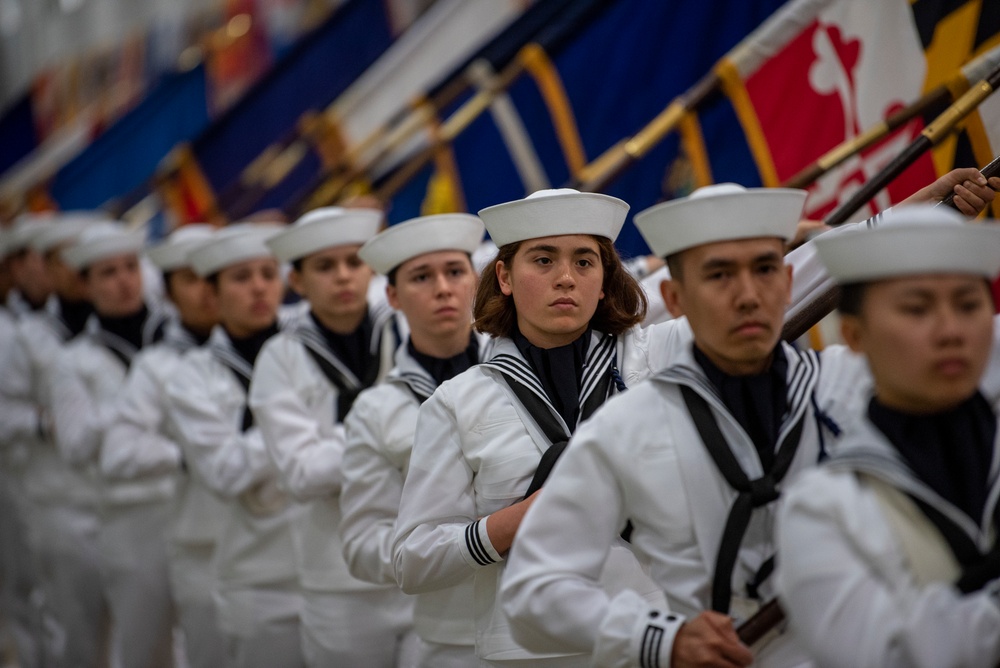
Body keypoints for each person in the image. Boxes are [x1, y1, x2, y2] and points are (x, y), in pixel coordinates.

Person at [499, 175, 999, 668]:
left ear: (784, 283)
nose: (747, 296)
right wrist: (658, 637)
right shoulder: (625, 429)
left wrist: (917, 220)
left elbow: (829, 270)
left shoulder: (857, 383)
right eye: (718, 275)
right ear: (674, 299)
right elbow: (534, 588)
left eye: (764, 270)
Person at [392, 188, 669, 667]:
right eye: (543, 261)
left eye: (585, 262)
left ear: (604, 280)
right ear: (504, 276)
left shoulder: (656, 358)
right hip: (529, 652)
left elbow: (773, 301)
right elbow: (411, 559)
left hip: (651, 634)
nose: (566, 278)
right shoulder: (457, 402)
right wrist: (515, 522)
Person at [775, 206, 1000, 667]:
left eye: (969, 304)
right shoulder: (823, 508)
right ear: (854, 335)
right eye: (916, 308)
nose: (950, 330)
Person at [248, 207, 411, 667]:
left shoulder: (404, 330)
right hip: (335, 579)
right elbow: (301, 473)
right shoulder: (279, 357)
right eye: (325, 266)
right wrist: (391, 435)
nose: (343, 276)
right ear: (296, 282)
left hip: (420, 564)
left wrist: (341, 445)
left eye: (354, 262)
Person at [340, 213, 492, 667]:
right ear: (392, 296)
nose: (443, 288)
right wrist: (446, 547)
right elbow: (362, 542)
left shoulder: (521, 377)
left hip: (541, 623)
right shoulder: (376, 408)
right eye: (421, 277)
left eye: (455, 271)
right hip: (453, 633)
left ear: (477, 281)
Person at [165, 223, 306, 668]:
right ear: (213, 292)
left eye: (268, 273)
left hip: (331, 569)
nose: (259, 287)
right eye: (241, 278)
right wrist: (300, 422)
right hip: (257, 578)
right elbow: (225, 472)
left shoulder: (310, 347)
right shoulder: (191, 375)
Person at [100, 224, 229, 668]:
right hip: (203, 545)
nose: (206, 291)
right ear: (170, 293)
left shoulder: (273, 348)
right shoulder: (156, 366)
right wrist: (192, 456)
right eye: (191, 280)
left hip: (281, 541)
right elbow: (118, 451)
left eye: (215, 277)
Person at [48, 221, 175, 668]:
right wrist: (131, 407)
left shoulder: (174, 341)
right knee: (145, 649)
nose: (124, 281)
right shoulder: (72, 361)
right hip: (130, 520)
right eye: (108, 273)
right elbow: (76, 446)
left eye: (129, 268)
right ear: (85, 284)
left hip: (191, 508)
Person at [0, 216, 105, 667]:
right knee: (63, 615)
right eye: (63, 259)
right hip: (52, 495)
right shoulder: (23, 337)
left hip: (116, 493)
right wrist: (44, 424)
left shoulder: (113, 327)